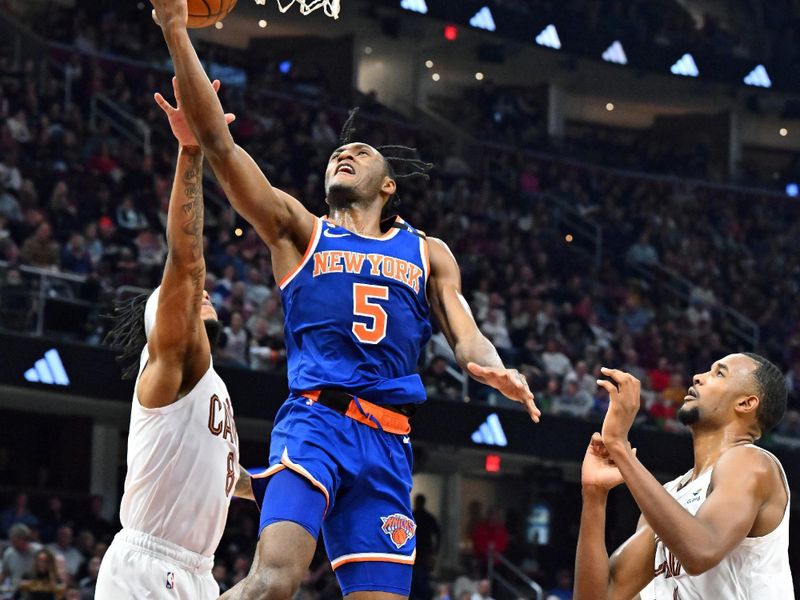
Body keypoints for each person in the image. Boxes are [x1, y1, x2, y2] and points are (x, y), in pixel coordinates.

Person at [148, 1, 540, 597]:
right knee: (274, 581)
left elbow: (466, 332)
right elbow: (220, 146)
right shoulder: (300, 231)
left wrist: (491, 366)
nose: (344, 153)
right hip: (316, 422)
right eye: (338, 152)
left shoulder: (429, 251)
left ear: (388, 184)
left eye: (361, 153)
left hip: (390, 443)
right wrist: (176, 29)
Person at [95, 80, 252, 600]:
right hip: (146, 564)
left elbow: (221, 473)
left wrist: (281, 485)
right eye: (182, 300)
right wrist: (190, 151)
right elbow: (186, 262)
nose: (201, 296)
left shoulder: (212, 389)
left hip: (198, 572)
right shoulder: (169, 367)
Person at [574, 354, 794, 599]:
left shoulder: (752, 462)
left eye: (719, 373)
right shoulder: (670, 495)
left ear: (746, 403)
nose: (698, 377)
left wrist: (619, 447)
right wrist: (594, 495)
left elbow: (701, 552)